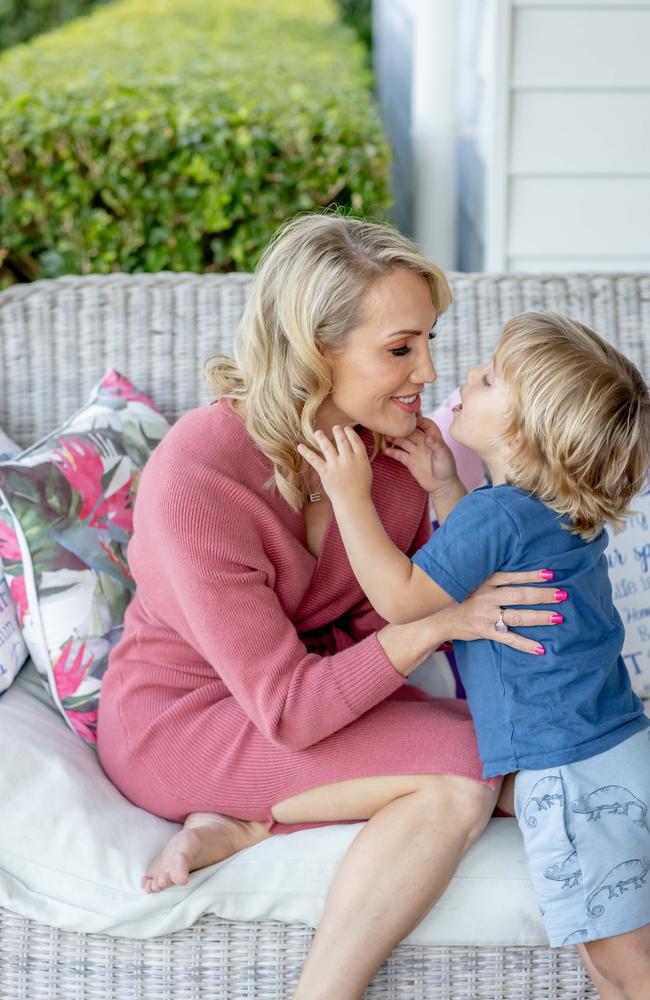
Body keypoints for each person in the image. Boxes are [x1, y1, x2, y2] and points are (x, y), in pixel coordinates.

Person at [97, 214, 564, 1000]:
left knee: (523, 750)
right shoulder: (199, 480)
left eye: (429, 341)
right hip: (182, 720)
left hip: (315, 695)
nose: (428, 372)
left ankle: (246, 824)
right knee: (464, 773)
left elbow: (380, 626)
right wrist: (438, 623)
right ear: (316, 351)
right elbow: (290, 705)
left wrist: (446, 517)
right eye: (399, 348)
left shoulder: (398, 457)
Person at [297, 308, 650, 999]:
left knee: (623, 967)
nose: (465, 376)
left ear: (521, 432)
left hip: (570, 778)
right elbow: (490, 562)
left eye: (488, 379)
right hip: (617, 746)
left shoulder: (498, 515)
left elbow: (404, 599)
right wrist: (445, 488)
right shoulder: (550, 511)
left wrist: (349, 497)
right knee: (610, 961)